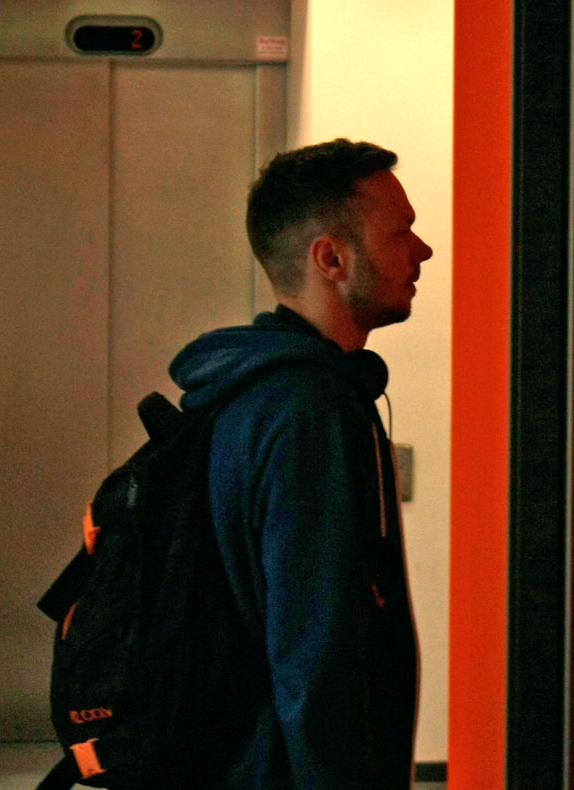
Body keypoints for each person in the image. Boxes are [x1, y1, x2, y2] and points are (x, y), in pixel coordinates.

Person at [168, 139, 432, 788]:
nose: (422, 251)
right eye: (401, 232)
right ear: (331, 259)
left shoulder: (258, 390)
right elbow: (315, 652)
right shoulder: (308, 413)